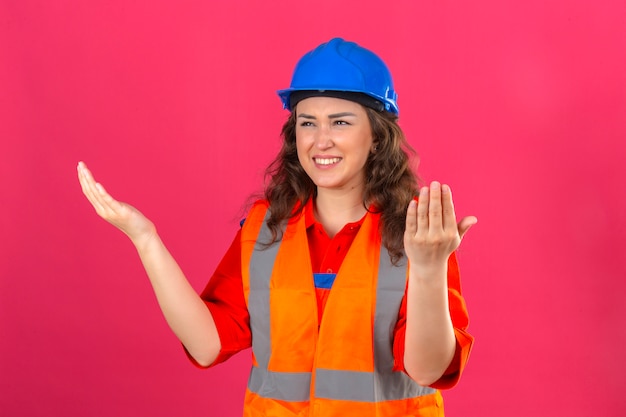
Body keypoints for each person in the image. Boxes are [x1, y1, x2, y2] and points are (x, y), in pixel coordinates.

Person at [77, 37, 477, 417]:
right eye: (307, 123)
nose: (320, 141)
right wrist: (146, 241)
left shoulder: (420, 235)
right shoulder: (263, 231)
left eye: (340, 122)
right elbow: (205, 345)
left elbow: (427, 371)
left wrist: (428, 269)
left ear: (376, 136)